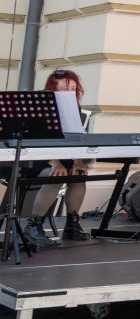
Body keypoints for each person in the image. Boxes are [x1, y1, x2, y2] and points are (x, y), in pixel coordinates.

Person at [25, 69, 92, 243]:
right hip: (38, 158)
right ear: (52, 89)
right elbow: (37, 139)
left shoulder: (74, 108)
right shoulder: (39, 108)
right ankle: (34, 225)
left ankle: (72, 225)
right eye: (65, 88)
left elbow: (77, 138)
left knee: (78, 175)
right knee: (55, 175)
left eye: (73, 89)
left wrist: (78, 162)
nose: (70, 93)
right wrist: (55, 162)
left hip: (65, 157)